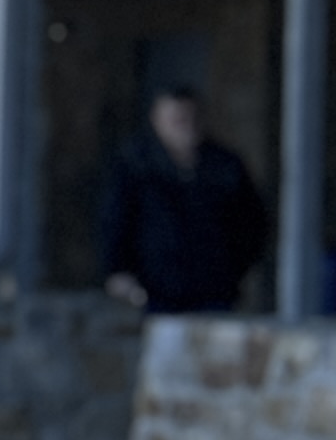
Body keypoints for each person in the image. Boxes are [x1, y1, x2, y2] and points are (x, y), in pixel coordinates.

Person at [101, 85, 267, 313]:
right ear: (157, 121)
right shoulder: (134, 166)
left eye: (192, 118)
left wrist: (232, 273)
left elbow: (253, 224)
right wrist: (118, 271)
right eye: (177, 120)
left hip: (215, 294)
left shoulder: (225, 166)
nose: (187, 126)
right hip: (153, 295)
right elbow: (113, 221)